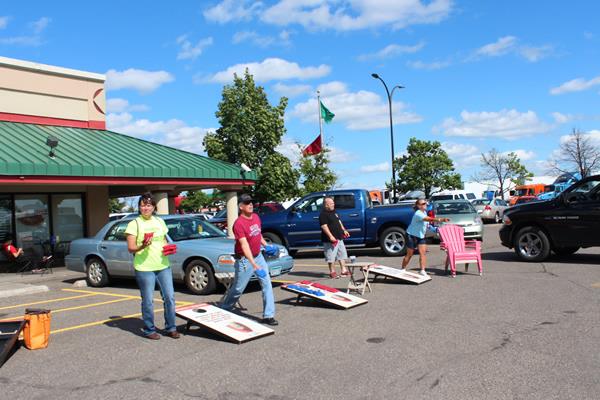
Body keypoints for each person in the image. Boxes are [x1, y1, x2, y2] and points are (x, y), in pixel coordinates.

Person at [125, 193, 179, 340]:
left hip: (162, 265)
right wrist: (142, 245)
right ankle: (149, 329)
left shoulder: (159, 221)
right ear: (139, 207)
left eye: (148, 205)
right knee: (148, 300)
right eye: (143, 205)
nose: (145, 208)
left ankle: (171, 327)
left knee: (169, 297)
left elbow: (164, 240)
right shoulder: (134, 224)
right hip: (144, 268)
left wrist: (169, 247)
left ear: (154, 207)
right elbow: (131, 248)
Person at [219, 194, 279, 326]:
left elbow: (258, 234)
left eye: (251, 202)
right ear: (241, 207)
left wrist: (266, 245)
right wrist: (253, 264)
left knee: (266, 284)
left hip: (258, 256)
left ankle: (268, 316)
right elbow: (244, 245)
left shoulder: (256, 217)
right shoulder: (238, 224)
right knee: (238, 288)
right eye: (247, 203)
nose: (250, 205)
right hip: (245, 261)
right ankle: (225, 308)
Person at [401, 199, 449, 276]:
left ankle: (422, 270)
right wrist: (440, 219)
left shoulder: (424, 212)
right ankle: (403, 269)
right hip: (411, 235)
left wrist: (436, 229)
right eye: (423, 203)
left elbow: (427, 224)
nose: (425, 204)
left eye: (425, 203)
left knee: (422, 253)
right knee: (409, 254)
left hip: (421, 236)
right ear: (419, 206)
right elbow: (428, 219)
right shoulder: (418, 213)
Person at [319, 197, 351, 279]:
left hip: (339, 237)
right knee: (331, 256)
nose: (333, 204)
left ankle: (343, 270)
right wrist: (330, 236)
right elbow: (324, 226)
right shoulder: (323, 214)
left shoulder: (335, 212)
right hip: (330, 240)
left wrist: (344, 230)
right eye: (331, 203)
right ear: (326, 205)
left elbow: (339, 222)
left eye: (333, 203)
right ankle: (332, 272)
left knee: (342, 254)